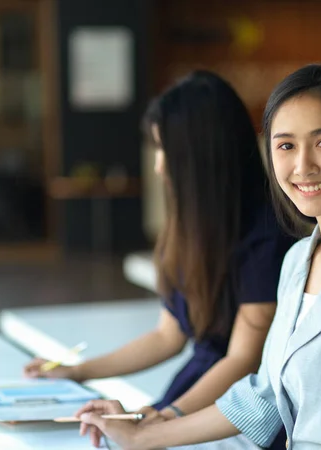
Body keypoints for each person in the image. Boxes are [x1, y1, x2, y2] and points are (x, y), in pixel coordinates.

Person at [74, 62, 321, 449]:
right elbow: (264, 397)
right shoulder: (296, 262)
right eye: (286, 145)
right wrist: (144, 435)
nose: (302, 166)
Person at [24, 71, 293, 448]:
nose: (158, 166)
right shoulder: (194, 229)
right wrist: (78, 371)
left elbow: (242, 361)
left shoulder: (266, 237)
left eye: (165, 150)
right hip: (194, 398)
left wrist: (165, 419)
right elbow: (167, 336)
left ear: (201, 157)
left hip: (234, 415)